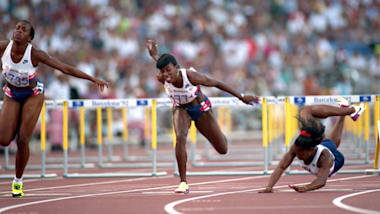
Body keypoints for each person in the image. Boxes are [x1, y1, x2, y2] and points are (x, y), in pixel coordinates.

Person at [0, 20, 109, 198]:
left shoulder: (35, 54)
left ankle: (17, 182)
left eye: (24, 29)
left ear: (30, 38)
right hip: (11, 93)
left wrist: (92, 79)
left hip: (32, 95)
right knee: (4, 140)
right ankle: (13, 123)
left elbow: (64, 68)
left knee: (23, 139)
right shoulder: (3, 47)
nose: (18, 31)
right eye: (17, 28)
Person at [146, 40, 260, 194]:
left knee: (222, 149)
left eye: (168, 71)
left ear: (177, 68)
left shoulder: (191, 76)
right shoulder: (162, 77)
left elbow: (216, 83)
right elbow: (162, 65)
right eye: (163, 72)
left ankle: (218, 133)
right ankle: (183, 182)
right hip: (181, 109)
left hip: (200, 108)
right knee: (180, 137)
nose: (166, 75)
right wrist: (155, 56)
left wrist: (241, 96)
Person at [259, 97, 365, 193]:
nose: (298, 155)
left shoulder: (325, 157)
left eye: (301, 153)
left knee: (330, 145)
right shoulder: (297, 147)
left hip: (337, 160)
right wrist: (269, 187)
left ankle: (350, 110)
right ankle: (347, 111)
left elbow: (321, 181)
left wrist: (305, 188)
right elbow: (281, 167)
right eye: (298, 152)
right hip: (322, 146)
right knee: (305, 111)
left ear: (311, 150)